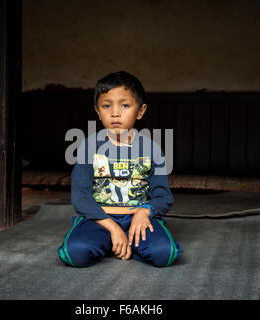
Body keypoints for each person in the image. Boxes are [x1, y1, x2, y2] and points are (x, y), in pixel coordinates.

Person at [57, 71, 183, 267]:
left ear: (140, 111)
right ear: (98, 112)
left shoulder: (152, 148)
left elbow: (163, 196)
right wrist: (113, 228)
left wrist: (144, 213)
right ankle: (116, 240)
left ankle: (121, 244)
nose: (115, 113)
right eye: (107, 106)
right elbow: (80, 198)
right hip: (100, 219)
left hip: (137, 220)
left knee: (165, 254)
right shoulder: (88, 147)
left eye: (125, 105)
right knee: (74, 253)